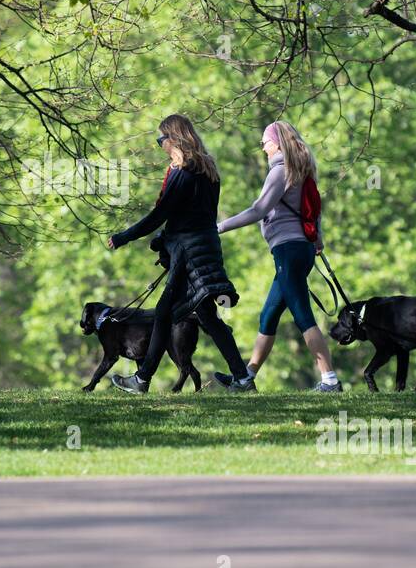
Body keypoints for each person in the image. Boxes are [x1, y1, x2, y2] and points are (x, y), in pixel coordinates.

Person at [104, 114, 254, 394]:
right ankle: (243, 378)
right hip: (206, 246)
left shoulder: (184, 172)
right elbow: (192, 214)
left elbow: (161, 213)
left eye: (161, 139)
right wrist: (164, 239)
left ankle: (142, 379)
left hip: (189, 251)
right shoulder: (208, 169)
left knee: (164, 312)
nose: (160, 144)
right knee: (208, 315)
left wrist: (124, 237)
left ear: (173, 139)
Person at [215, 120, 342, 392]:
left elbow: (259, 209)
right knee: (269, 315)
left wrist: (220, 227)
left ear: (276, 142)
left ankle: (330, 380)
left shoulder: (281, 171)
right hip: (300, 249)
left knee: (302, 314)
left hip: (288, 250)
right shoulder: (302, 171)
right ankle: (246, 377)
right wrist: (317, 238)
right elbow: (314, 211)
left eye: (264, 142)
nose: (262, 148)